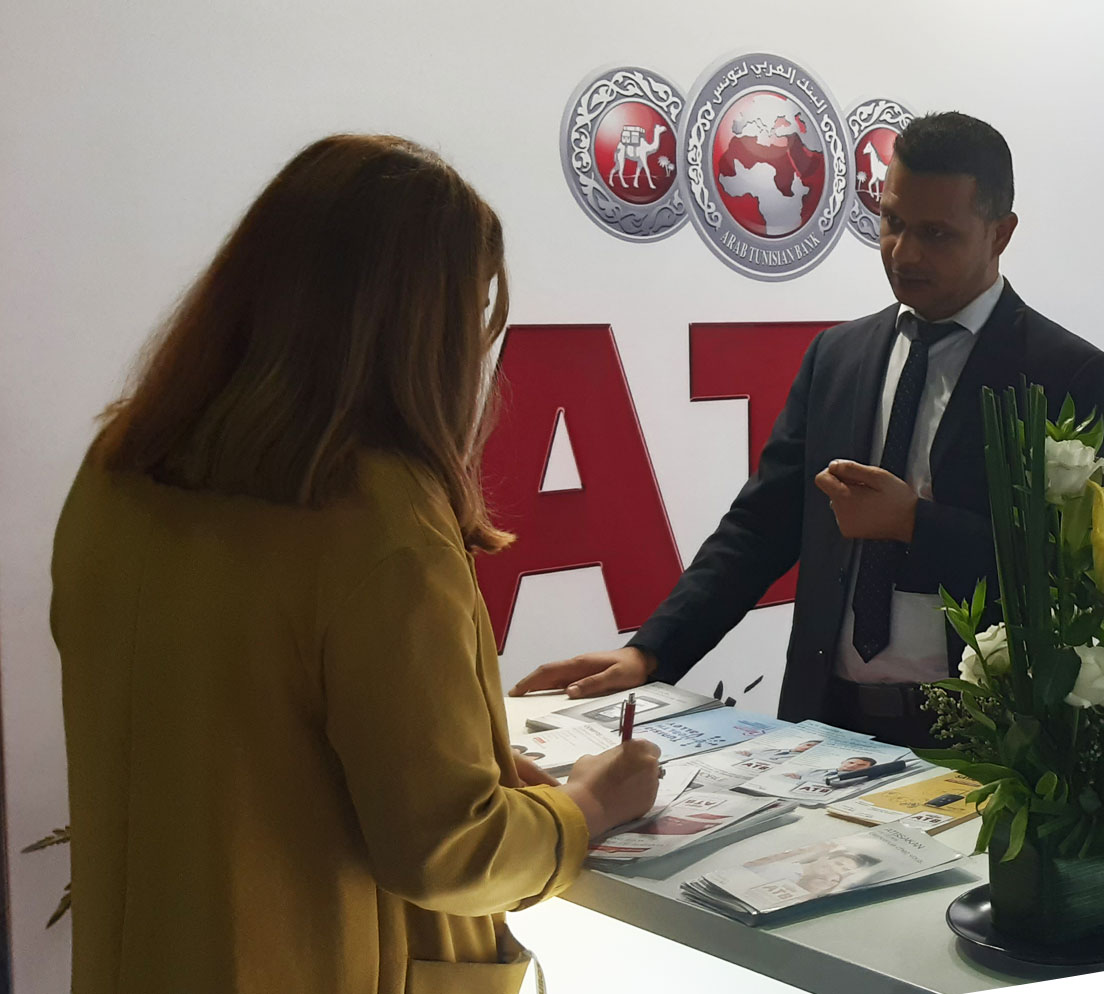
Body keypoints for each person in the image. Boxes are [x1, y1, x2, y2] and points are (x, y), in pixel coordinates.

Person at [51, 134, 661, 994]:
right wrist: (588, 808)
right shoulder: (382, 520)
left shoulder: (120, 468)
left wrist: (469, 771)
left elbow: (238, 730)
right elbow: (447, 850)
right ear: (422, 330)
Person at [512, 112, 1104, 748]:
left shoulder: (1068, 375)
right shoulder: (838, 356)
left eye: (937, 233)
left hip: (991, 738)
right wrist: (651, 652)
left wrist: (914, 524)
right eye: (892, 222)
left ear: (1000, 233)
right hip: (825, 721)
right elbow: (760, 528)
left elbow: (1073, 571)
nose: (904, 253)